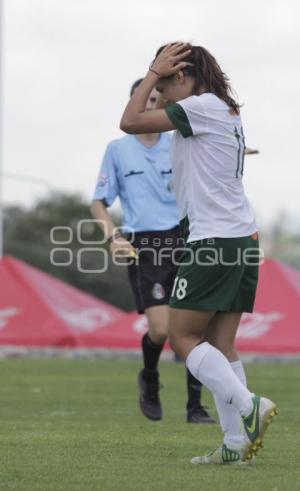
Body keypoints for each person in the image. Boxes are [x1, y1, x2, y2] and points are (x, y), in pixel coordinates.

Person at [120, 42, 277, 465]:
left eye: (167, 85)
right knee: (220, 343)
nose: (162, 95)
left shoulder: (201, 106)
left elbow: (129, 121)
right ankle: (235, 443)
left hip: (214, 240)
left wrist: (152, 71)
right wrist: (158, 75)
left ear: (184, 77)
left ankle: (249, 405)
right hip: (242, 238)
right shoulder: (223, 109)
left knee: (181, 335)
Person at [91, 78, 215, 424]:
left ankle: (196, 407)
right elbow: (98, 202)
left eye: (155, 98)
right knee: (161, 330)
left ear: (164, 105)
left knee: (193, 328)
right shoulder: (117, 149)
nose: (148, 103)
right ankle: (150, 377)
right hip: (144, 244)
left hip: (185, 238)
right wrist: (113, 236)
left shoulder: (179, 143)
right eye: (142, 98)